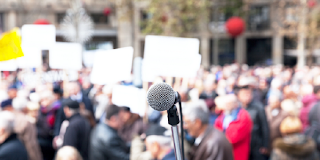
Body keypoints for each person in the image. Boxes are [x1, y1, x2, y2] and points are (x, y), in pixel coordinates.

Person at [215, 95, 253, 160]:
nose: (226, 106)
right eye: (225, 104)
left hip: (238, 151)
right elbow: (216, 129)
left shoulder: (243, 116)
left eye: (229, 104)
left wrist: (221, 140)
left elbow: (235, 137)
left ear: (235, 104)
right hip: (225, 151)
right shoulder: (223, 115)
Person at [237, 85, 270, 160]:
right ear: (239, 96)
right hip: (243, 145)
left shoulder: (259, 107)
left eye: (249, 94)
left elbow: (264, 126)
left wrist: (265, 145)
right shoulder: (238, 108)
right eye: (244, 94)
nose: (247, 96)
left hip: (256, 144)